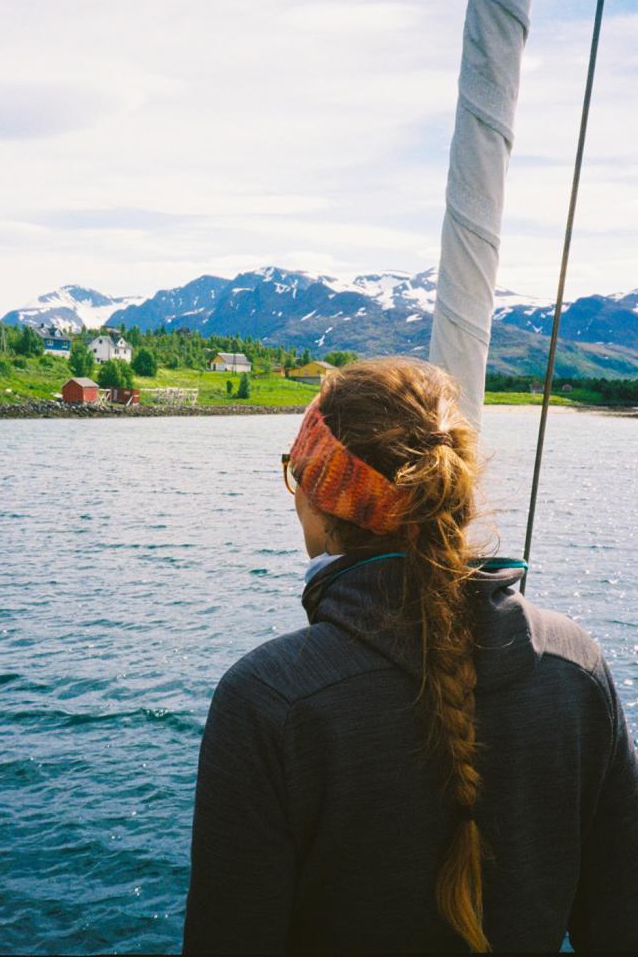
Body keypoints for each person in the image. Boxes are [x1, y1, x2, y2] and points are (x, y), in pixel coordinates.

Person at [183, 357, 638, 954]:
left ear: (322, 498)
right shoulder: (575, 666)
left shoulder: (270, 700)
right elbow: (620, 923)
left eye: (296, 474)